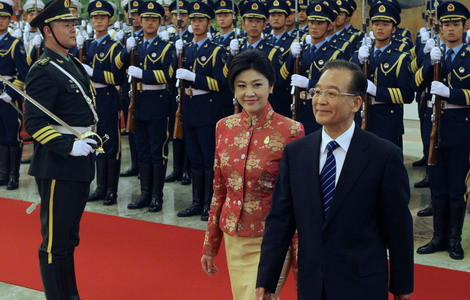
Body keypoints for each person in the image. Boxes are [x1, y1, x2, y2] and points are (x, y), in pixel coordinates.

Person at [255, 60, 414, 300]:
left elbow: (398, 226)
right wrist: (266, 280)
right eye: (317, 91)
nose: (320, 100)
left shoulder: (383, 156)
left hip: (363, 284)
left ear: (356, 103)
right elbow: (280, 221)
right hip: (312, 284)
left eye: (332, 93)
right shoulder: (296, 153)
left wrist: (402, 286)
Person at [201, 49, 304, 300]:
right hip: (234, 235)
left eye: (257, 84)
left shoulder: (291, 131)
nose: (249, 93)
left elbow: (298, 198)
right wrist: (209, 245)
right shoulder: (224, 127)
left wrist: (301, 255)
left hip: (272, 238)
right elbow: (219, 189)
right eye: (241, 85)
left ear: (270, 86)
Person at [24, 0, 99, 298]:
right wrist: (68, 146)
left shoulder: (71, 62)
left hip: (80, 162)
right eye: (65, 25)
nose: (72, 29)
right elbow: (33, 121)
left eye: (73, 24)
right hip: (58, 166)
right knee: (55, 243)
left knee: (69, 238)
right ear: (47, 31)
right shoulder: (43, 70)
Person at [415, 1, 469, 260]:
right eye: (446, 24)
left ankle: (454, 239)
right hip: (433, 126)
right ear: (440, 27)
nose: (450, 29)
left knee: (456, 187)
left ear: (464, 27)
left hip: (460, 128)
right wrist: (428, 64)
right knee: (437, 186)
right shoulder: (434, 53)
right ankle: (437, 237)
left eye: (455, 24)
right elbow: (416, 81)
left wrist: (452, 94)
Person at [116, 0, 174, 212]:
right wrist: (125, 51)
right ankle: (145, 193)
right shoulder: (134, 45)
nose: (149, 22)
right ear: (138, 20)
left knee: (157, 151)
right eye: (145, 18)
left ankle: (157, 196)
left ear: (160, 21)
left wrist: (144, 75)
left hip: (157, 102)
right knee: (142, 151)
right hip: (137, 103)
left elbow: (168, 75)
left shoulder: (166, 46)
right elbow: (118, 69)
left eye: (153, 19)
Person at [175, 1, 226, 221]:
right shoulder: (184, 48)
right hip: (190, 107)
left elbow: (221, 83)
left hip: (207, 108)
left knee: (207, 159)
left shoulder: (216, 50)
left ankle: (209, 202)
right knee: (194, 158)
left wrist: (194, 78)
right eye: (193, 20)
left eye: (200, 20)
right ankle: (196, 201)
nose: (196, 24)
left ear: (208, 22)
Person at [78, 0, 124, 206]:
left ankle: (111, 190)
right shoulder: (87, 45)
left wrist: (93, 73)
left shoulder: (115, 47)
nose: (98, 21)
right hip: (91, 99)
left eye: (102, 17)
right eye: (95, 17)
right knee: (95, 142)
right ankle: (100, 187)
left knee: (110, 142)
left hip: (106, 98)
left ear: (110, 20)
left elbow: (117, 77)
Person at [351, 2, 414, 149]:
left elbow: (407, 95)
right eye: (376, 23)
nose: (380, 28)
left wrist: (377, 92)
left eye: (385, 24)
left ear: (394, 29)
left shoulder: (400, 58)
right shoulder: (361, 54)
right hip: (361, 117)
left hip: (388, 122)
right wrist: (358, 60)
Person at [0, 0, 29, 190]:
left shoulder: (14, 43)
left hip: (9, 97)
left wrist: (10, 92)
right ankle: (2, 173)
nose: (0, 21)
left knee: (12, 136)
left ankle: (13, 176)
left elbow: (24, 73)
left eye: (3, 17)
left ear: (9, 19)